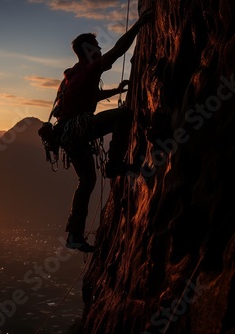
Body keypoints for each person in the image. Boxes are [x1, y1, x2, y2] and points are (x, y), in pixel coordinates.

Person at [54, 11, 152, 252]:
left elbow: (88, 97)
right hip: (79, 130)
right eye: (96, 46)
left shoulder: (72, 74)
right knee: (124, 115)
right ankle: (115, 164)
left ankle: (74, 234)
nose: (99, 49)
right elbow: (118, 51)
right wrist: (138, 25)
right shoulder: (89, 70)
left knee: (86, 180)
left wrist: (116, 91)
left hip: (68, 135)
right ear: (88, 50)